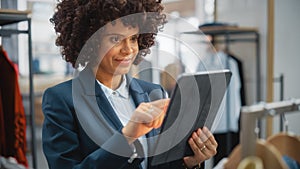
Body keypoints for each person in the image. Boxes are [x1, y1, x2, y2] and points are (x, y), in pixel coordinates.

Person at [42, 0, 218, 169]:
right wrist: (127, 136)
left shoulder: (154, 93)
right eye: (115, 39)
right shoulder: (62, 100)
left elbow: (159, 165)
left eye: (133, 38)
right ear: (90, 42)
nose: (128, 50)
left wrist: (189, 162)